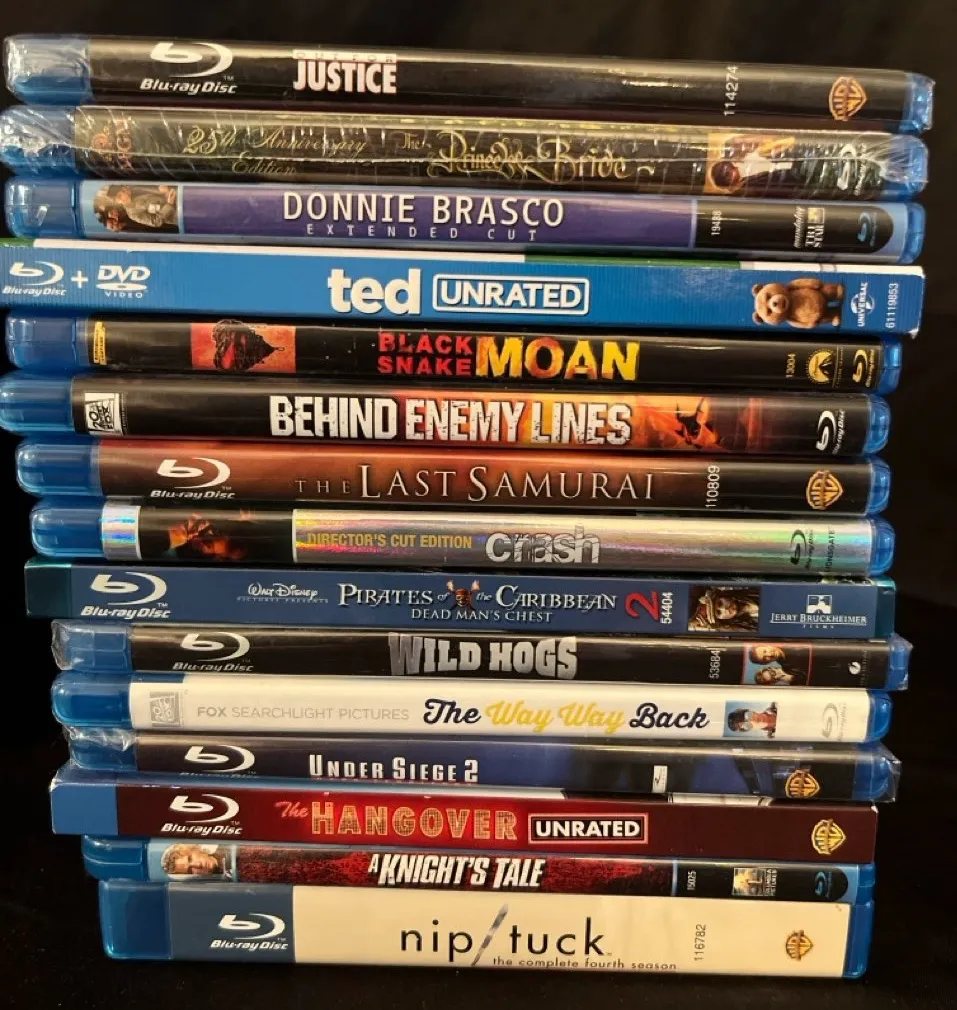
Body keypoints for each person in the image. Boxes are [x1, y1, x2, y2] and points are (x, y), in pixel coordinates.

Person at [160, 844, 234, 879]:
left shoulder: (231, 847)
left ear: (195, 849)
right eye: (190, 870)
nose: (198, 865)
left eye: (190, 858)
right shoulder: (220, 886)